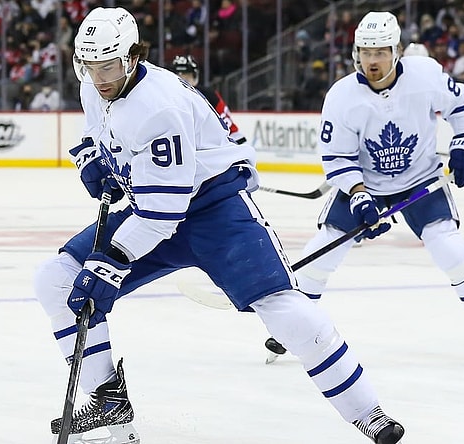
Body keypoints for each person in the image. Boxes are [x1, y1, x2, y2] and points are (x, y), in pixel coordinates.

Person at [34, 7, 405, 444]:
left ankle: (368, 412)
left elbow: (162, 213)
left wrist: (110, 263)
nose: (99, 78)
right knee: (55, 280)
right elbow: (99, 128)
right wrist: (92, 157)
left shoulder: (159, 106)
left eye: (109, 66)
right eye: (89, 66)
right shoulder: (96, 85)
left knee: (283, 308)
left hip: (215, 210)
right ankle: (111, 406)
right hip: (152, 206)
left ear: (133, 56)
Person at [264, 11, 464, 367]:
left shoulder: (424, 75)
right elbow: (337, 157)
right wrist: (359, 194)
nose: (372, 60)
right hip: (366, 183)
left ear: (396, 51)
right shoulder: (342, 96)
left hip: (420, 179)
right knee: (325, 247)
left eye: (380, 51)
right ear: (355, 53)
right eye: (365, 52)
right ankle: (292, 326)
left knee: (446, 243)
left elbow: (461, 102)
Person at [171, 54, 247, 144]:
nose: (183, 80)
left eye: (187, 76)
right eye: (179, 76)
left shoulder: (209, 95)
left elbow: (232, 131)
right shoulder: (165, 96)